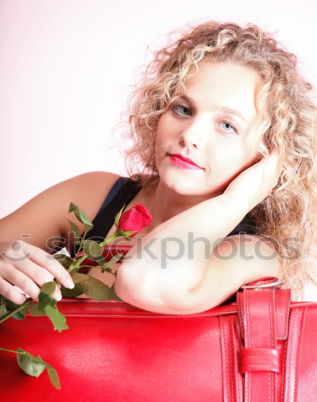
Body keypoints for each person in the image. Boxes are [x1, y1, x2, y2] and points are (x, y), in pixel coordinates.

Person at [1, 21, 317, 314]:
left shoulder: (255, 252)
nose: (190, 135)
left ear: (266, 154)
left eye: (227, 126)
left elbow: (143, 280)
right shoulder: (97, 196)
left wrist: (237, 201)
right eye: (182, 108)